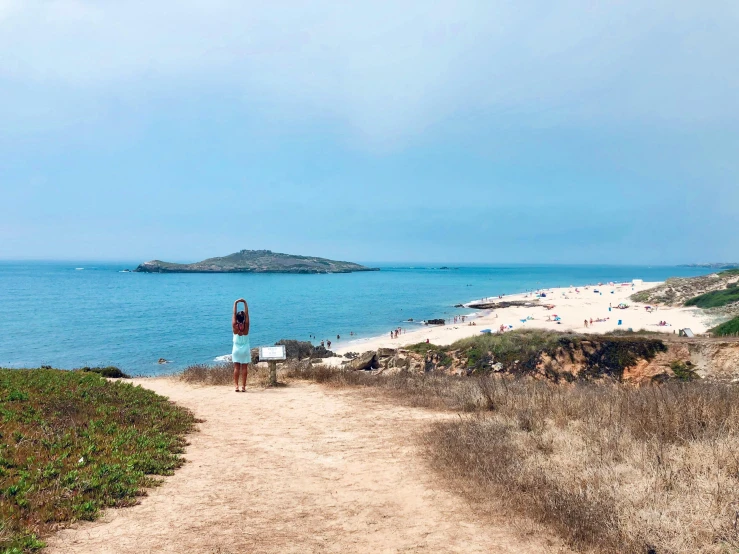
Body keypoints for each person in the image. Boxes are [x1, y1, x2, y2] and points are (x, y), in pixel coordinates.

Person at [232, 298, 250, 392]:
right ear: (244, 318)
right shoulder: (246, 326)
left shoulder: (235, 326)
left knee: (236, 367)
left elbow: (233, 314)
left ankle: (236, 386)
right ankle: (243, 386)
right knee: (244, 368)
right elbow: (247, 314)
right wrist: (245, 303)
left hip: (236, 348)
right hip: (245, 349)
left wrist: (235, 303)